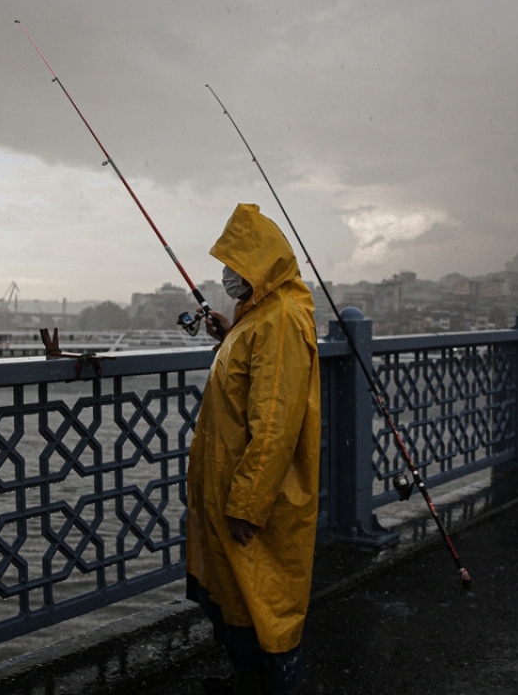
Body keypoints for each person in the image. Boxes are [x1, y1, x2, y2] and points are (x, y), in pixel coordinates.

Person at [186, 203, 321, 695]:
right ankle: (247, 682)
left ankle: (269, 687)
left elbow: (275, 423)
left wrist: (248, 500)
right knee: (239, 596)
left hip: (254, 494)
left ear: (261, 266)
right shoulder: (259, 316)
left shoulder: (280, 319)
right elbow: (252, 375)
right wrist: (229, 335)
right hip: (232, 484)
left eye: (237, 265)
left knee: (265, 599)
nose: (227, 274)